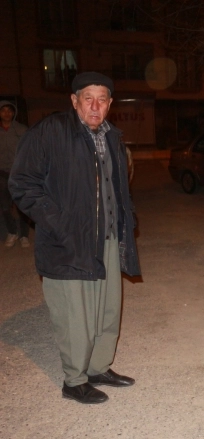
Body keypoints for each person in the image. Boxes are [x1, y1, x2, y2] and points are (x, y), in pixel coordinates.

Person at [9, 72, 140, 405]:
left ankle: (98, 368)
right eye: (88, 98)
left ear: (110, 104)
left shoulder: (112, 136)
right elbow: (22, 183)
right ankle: (74, 379)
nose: (95, 106)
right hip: (68, 241)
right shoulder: (51, 131)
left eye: (102, 100)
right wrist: (58, 222)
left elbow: (116, 185)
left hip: (107, 237)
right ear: (74, 100)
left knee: (107, 310)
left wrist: (127, 219)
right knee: (75, 314)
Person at [0, 100, 29, 247]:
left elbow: (29, 150)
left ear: (14, 112)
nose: (6, 113)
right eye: (3, 110)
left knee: (22, 206)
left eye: (9, 110)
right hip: (2, 174)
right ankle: (12, 232)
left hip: (18, 174)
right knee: (5, 206)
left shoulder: (21, 130)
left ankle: (24, 235)